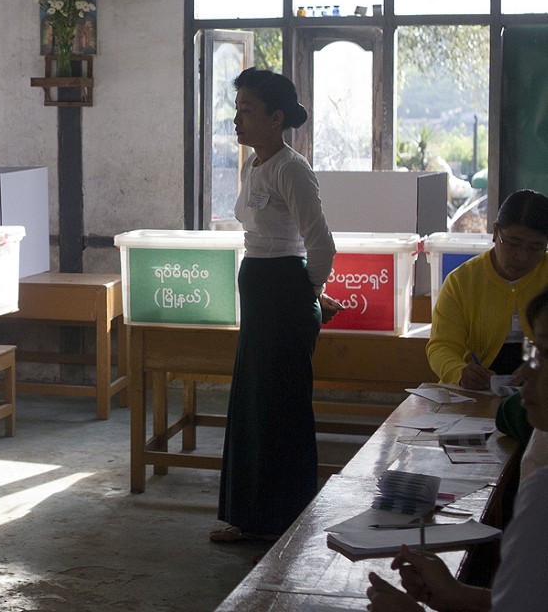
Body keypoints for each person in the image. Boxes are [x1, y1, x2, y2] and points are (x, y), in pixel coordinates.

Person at [210, 68, 342, 543]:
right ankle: (248, 516)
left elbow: (320, 245)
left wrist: (306, 293)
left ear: (276, 117)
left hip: (284, 296)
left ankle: (287, 522)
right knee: (252, 404)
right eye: (237, 109)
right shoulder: (254, 166)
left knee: (282, 408)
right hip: (261, 291)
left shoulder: (292, 167)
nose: (237, 120)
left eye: (247, 110)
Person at [365, 284, 548, 612]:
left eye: (544, 355)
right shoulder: (466, 280)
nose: (526, 371)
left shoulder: (544, 494)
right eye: (532, 351)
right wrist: (464, 596)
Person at [426, 189, 548, 446]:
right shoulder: (462, 281)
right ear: (494, 232)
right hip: (476, 394)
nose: (522, 257)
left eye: (536, 248)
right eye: (513, 243)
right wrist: (459, 371)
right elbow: (441, 346)